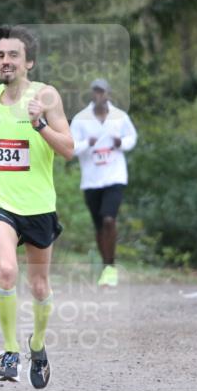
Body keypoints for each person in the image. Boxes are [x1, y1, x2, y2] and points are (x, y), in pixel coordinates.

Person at [0, 25, 73, 389]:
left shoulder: (46, 96)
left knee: (40, 285)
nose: (5, 61)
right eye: (0, 55)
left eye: (13, 55)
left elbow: (68, 149)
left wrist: (40, 124)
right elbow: (2, 140)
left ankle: (37, 345)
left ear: (28, 61)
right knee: (7, 271)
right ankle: (10, 349)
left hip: (38, 204)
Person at [70, 78, 137, 287]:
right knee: (99, 226)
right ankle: (105, 264)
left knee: (109, 220)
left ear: (108, 93)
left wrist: (121, 143)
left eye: (102, 92)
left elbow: (132, 138)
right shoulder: (81, 119)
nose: (99, 95)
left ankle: (111, 266)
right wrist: (86, 144)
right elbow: (70, 147)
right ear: (92, 94)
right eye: (96, 92)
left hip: (114, 176)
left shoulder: (119, 116)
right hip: (91, 179)